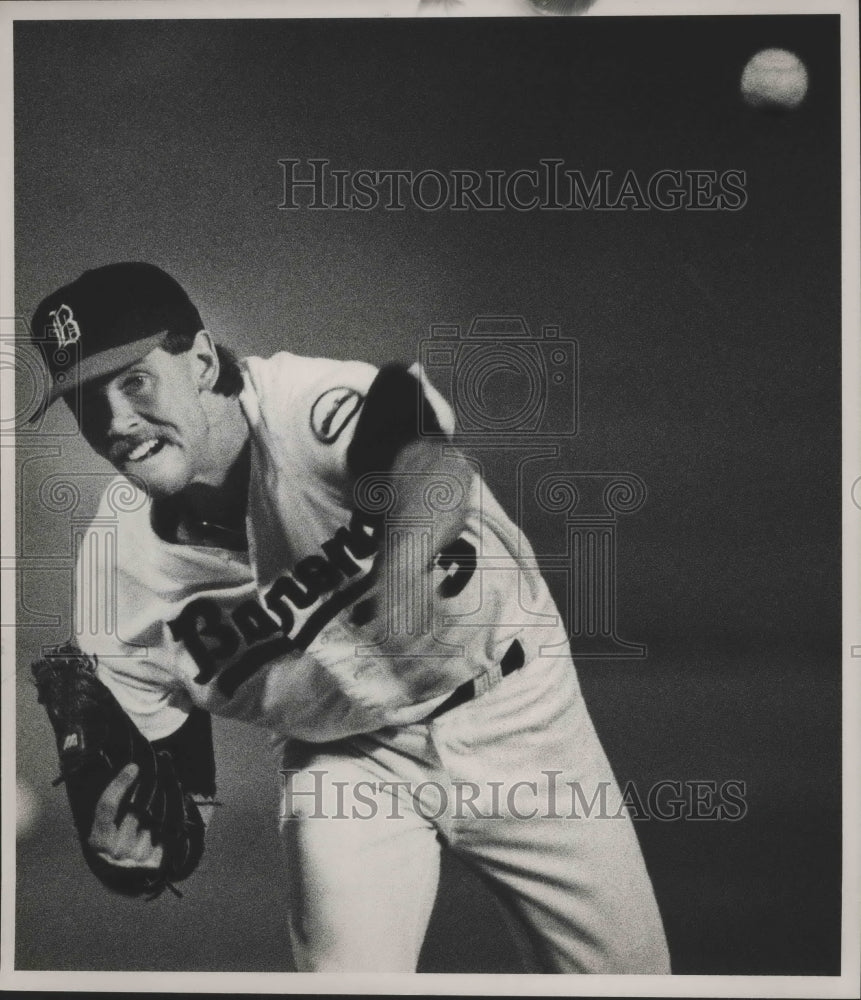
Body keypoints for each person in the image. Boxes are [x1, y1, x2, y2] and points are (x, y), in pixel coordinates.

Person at [29, 261, 670, 973]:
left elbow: (428, 463)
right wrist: (131, 849)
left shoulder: (304, 402)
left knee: (630, 980)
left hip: (517, 710)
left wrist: (400, 573)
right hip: (349, 764)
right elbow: (183, 794)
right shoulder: (116, 584)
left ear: (202, 361)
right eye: (87, 402)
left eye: (134, 379)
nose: (116, 421)